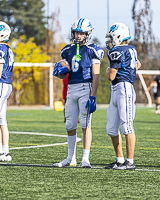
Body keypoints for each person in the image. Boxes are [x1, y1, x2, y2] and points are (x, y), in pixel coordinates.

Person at [53, 18, 104, 168]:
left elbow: (96, 75)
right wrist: (59, 72)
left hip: (85, 88)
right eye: (76, 32)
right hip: (71, 88)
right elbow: (64, 74)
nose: (78, 35)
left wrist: (93, 96)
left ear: (87, 34)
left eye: (81, 33)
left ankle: (85, 159)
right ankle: (71, 159)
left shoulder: (93, 49)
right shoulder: (66, 50)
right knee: (69, 124)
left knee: (86, 124)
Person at [105, 22, 141, 170]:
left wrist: (108, 70)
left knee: (127, 126)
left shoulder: (116, 51)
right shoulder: (131, 49)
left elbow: (111, 76)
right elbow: (137, 64)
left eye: (112, 37)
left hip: (122, 88)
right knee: (112, 128)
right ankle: (120, 160)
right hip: (120, 89)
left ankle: (130, 162)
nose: (110, 40)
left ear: (118, 36)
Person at [0, 21, 14, 162]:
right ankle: (5, 152)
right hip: (6, 84)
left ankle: (3, 152)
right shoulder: (8, 48)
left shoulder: (1, 49)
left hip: (1, 83)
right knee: (2, 119)